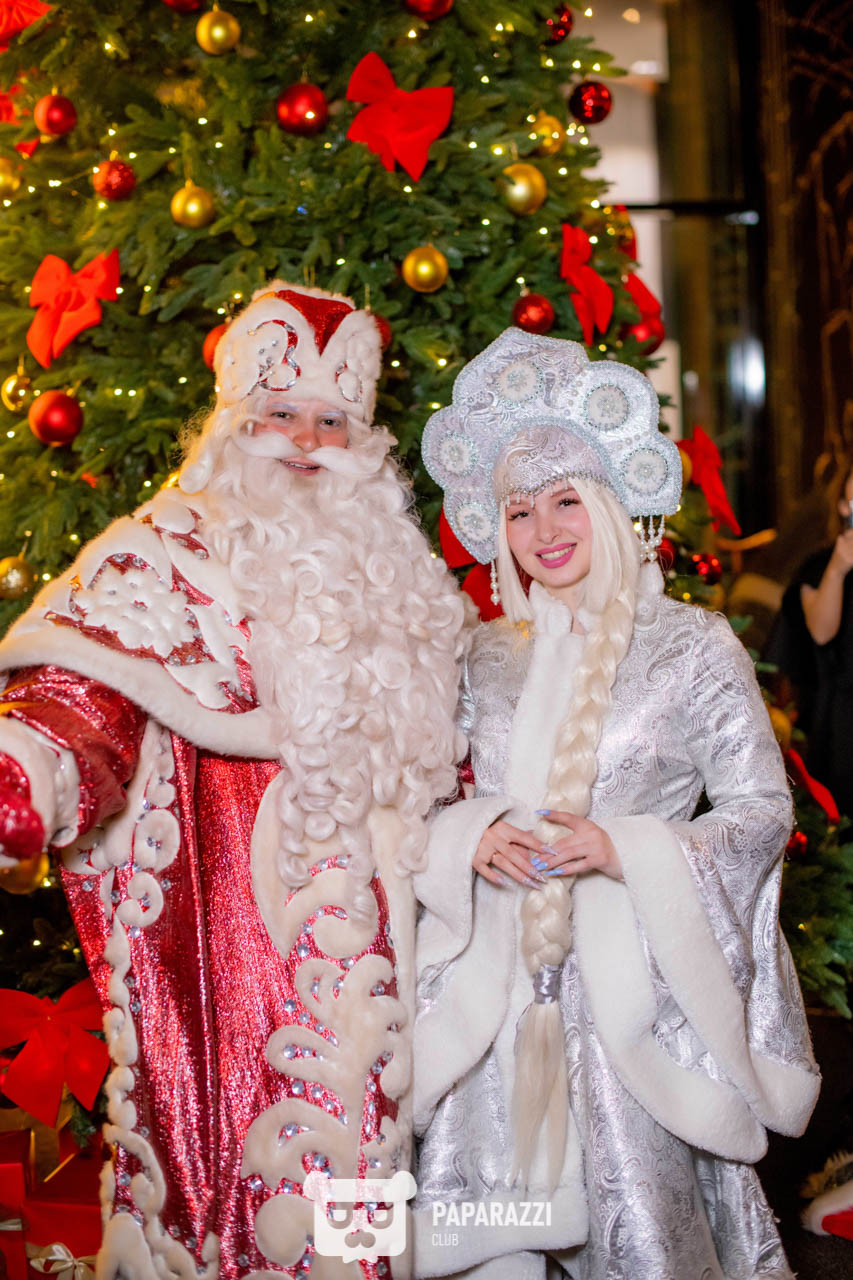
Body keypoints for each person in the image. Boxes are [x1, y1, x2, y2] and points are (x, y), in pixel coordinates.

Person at [0, 283, 466, 1278]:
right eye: (281, 412)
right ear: (235, 421)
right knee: (236, 1177)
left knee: (366, 1171)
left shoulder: (396, 575)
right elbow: (83, 691)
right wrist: (27, 768)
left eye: (332, 421)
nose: (306, 440)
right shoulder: (167, 549)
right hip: (224, 939)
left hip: (390, 953)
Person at [411, 329, 820, 1280]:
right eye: (519, 511)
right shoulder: (481, 654)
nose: (543, 531)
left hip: (632, 1000)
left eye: (564, 500)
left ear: (608, 503)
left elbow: (761, 808)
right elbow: (421, 794)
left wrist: (625, 848)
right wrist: (468, 835)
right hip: (495, 994)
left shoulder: (692, 646)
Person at [770, 459, 853, 816]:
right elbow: (821, 631)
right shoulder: (820, 565)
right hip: (841, 723)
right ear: (844, 506)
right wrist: (839, 568)